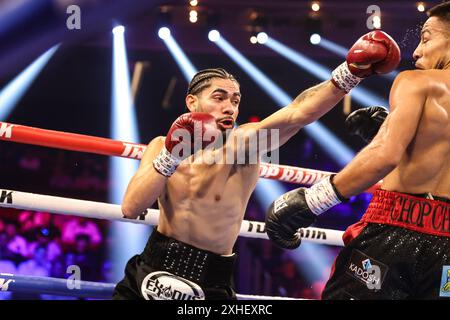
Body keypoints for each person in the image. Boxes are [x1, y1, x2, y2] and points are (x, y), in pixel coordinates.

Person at [112, 30, 400, 300]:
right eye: (219, 97)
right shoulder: (160, 145)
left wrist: (349, 74)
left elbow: (297, 113)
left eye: (235, 100)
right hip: (150, 267)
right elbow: (131, 207)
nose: (230, 107)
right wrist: (171, 156)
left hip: (209, 277)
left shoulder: (242, 145)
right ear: (192, 102)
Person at [265, 2, 450, 299]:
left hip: (394, 233)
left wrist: (313, 200)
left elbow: (385, 155)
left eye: (426, 38)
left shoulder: (416, 82)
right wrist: (384, 132)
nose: (416, 51)